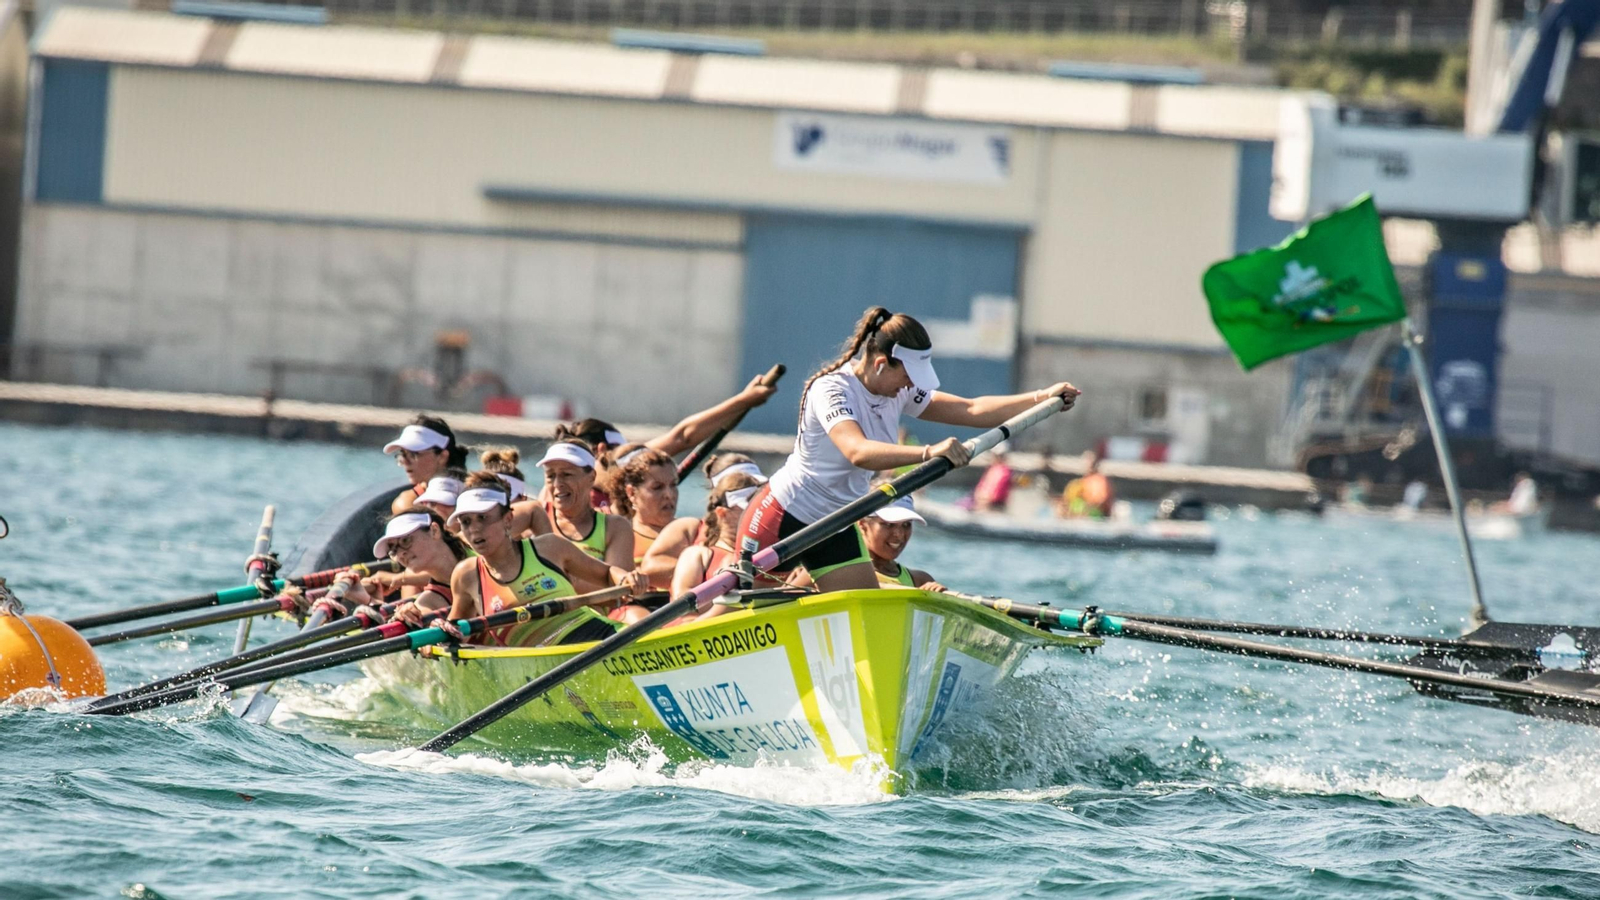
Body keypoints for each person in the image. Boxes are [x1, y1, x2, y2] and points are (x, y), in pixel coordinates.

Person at [736, 307, 1079, 593]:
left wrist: (1041, 397)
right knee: (739, 620)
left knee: (869, 618)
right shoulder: (831, 390)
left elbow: (970, 409)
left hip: (837, 523)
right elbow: (857, 451)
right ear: (882, 363)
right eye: (908, 375)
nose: (912, 385)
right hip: (784, 516)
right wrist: (929, 453)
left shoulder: (897, 390)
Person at [446, 473, 651, 640]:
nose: (474, 530)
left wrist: (626, 578)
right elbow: (454, 632)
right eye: (466, 522)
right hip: (542, 665)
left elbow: (607, 573)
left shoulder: (549, 548)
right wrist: (442, 630)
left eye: (483, 518)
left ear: (508, 519)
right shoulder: (467, 574)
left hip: (599, 636)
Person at [332, 509, 469, 628]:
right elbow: (405, 627)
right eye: (393, 550)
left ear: (434, 531)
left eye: (406, 540)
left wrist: (396, 579)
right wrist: (370, 602)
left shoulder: (477, 548)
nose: (400, 554)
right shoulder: (431, 601)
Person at [539, 440, 634, 581]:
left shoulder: (615, 527)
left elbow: (619, 593)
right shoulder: (533, 517)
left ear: (591, 477)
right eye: (551, 476)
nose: (557, 484)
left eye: (567, 474)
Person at [671, 473, 764, 611]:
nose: (755, 514)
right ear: (722, 513)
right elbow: (681, 599)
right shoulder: (697, 554)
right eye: (748, 509)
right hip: (693, 626)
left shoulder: (762, 557)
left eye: (758, 508)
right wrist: (731, 602)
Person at [383, 415, 469, 514]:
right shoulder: (407, 502)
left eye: (414, 454)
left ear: (442, 456)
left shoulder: (475, 493)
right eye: (402, 454)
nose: (405, 461)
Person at [860, 498, 945, 591]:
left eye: (906, 524)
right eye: (888, 524)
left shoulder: (920, 581)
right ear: (862, 525)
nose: (899, 534)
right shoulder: (847, 575)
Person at [1059, 451, 1113, 519]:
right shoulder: (1081, 481)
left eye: (1091, 463)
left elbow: (1101, 500)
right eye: (1086, 463)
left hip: (1097, 513)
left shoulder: (1099, 480)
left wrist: (1087, 508)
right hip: (1084, 510)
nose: (1088, 465)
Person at [969, 442, 1014, 512]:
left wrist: (983, 501)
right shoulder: (992, 469)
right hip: (983, 504)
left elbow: (995, 493)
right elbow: (982, 486)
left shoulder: (1004, 472)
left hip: (994, 506)